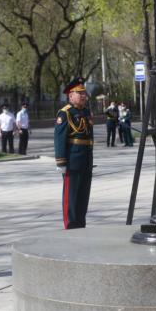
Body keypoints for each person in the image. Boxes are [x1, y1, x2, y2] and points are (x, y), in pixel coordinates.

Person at [54, 77, 93, 229]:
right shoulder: (65, 113)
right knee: (71, 197)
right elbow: (60, 138)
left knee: (83, 196)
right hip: (72, 160)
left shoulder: (86, 112)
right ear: (70, 96)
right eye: (79, 93)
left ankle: (80, 224)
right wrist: (61, 162)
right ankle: (70, 226)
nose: (83, 96)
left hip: (85, 160)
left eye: (84, 93)